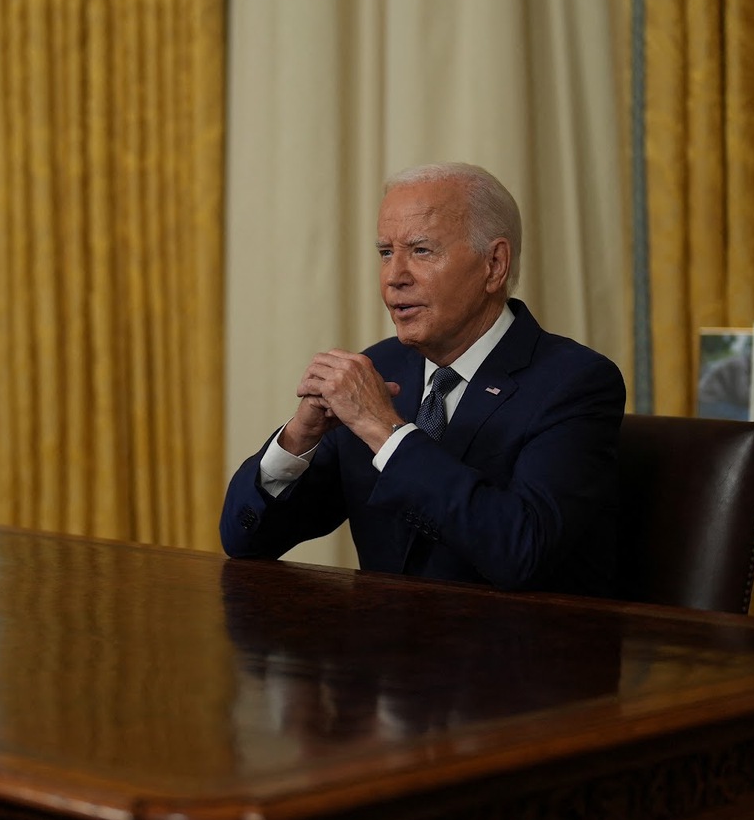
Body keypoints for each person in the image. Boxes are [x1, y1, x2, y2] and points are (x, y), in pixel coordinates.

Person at [219, 163, 626, 595]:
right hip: (384, 653)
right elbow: (247, 542)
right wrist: (298, 440)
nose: (395, 277)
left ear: (494, 265)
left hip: (516, 653)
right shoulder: (380, 369)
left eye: (421, 251)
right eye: (385, 253)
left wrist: (385, 430)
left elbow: (521, 552)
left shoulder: (574, 383)